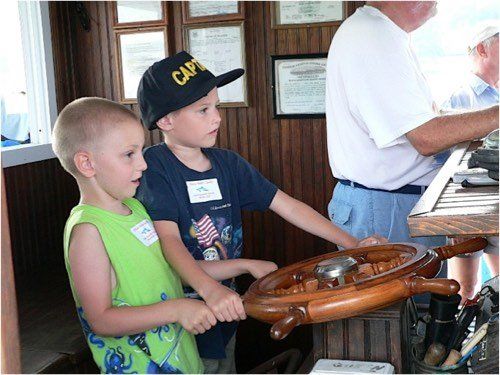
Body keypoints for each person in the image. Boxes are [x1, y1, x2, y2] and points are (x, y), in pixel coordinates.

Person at [135, 51, 386, 373]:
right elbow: (167, 242)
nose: (217, 117)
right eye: (203, 110)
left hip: (224, 306)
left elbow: (288, 205)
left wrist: (352, 243)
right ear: (166, 120)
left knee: (223, 365)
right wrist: (209, 288)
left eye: (217, 107)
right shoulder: (154, 169)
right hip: (178, 313)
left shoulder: (228, 163)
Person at [52, 97, 214, 373]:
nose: (143, 164)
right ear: (86, 163)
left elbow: (163, 267)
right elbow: (101, 321)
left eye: (140, 152)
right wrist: (178, 309)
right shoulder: (88, 232)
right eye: (129, 154)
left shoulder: (135, 208)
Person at [325, 2, 498, 258]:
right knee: (413, 299)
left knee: (430, 297)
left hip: (391, 203)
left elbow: (429, 119)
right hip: (385, 210)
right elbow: (425, 137)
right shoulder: (374, 35)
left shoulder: (383, 33)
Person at [443, 25, 499, 301]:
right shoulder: (458, 96)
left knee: (499, 287)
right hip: (464, 208)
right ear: (482, 48)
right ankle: (464, 344)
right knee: (465, 288)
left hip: (497, 207)